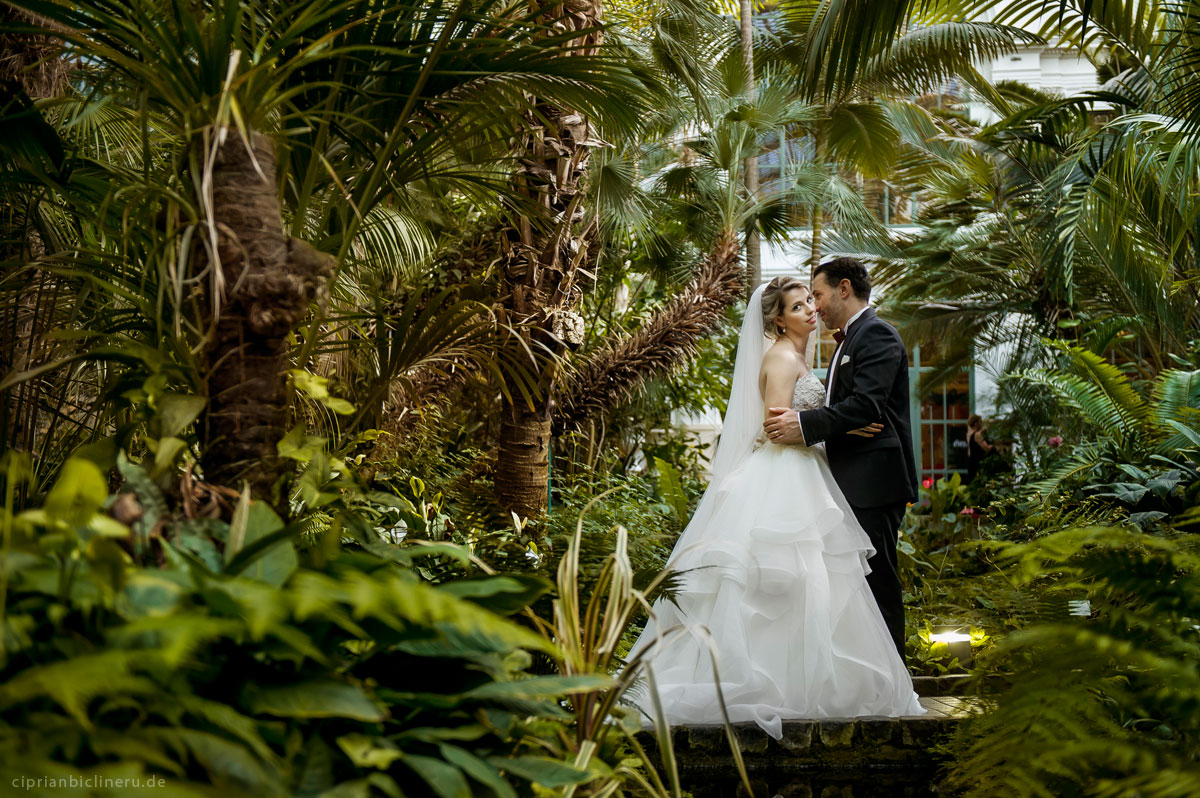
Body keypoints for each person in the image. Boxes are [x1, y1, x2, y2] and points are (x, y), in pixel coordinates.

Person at [625, 277, 923, 740]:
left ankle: (808, 677)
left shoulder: (803, 355)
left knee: (814, 580)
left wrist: (834, 426)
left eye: (811, 301)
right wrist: (827, 427)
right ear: (777, 318)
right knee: (787, 576)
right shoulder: (783, 357)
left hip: (808, 469)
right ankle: (780, 682)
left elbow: (805, 421)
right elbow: (778, 427)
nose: (810, 310)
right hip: (785, 477)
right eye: (799, 305)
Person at [762, 258, 917, 660]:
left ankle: (894, 683)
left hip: (873, 483)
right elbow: (853, 409)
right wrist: (845, 423)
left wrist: (810, 424)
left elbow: (867, 404)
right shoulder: (846, 340)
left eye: (817, 295)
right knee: (854, 586)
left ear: (843, 289)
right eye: (805, 301)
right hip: (847, 479)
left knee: (878, 580)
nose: (816, 305)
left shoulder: (876, 335)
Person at [965, 414, 994, 482]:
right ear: (976, 423)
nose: (981, 424)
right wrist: (995, 446)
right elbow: (986, 448)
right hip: (978, 462)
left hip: (971, 461)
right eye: (980, 422)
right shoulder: (977, 434)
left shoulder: (969, 433)